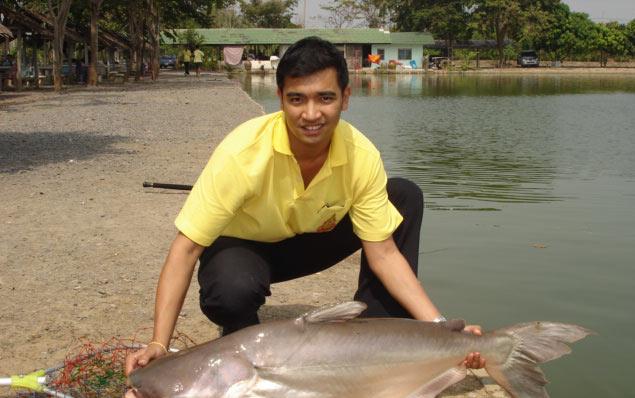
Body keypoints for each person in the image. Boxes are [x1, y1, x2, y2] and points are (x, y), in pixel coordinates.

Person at [126, 37, 484, 376]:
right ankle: (239, 331)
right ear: (280, 98)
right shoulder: (242, 153)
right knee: (231, 290)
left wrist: (443, 330)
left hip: (311, 239)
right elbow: (186, 248)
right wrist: (159, 342)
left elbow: (385, 254)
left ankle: (377, 330)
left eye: (324, 98)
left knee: (403, 195)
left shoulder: (362, 155)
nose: (311, 114)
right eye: (297, 99)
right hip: (244, 248)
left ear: (345, 97)